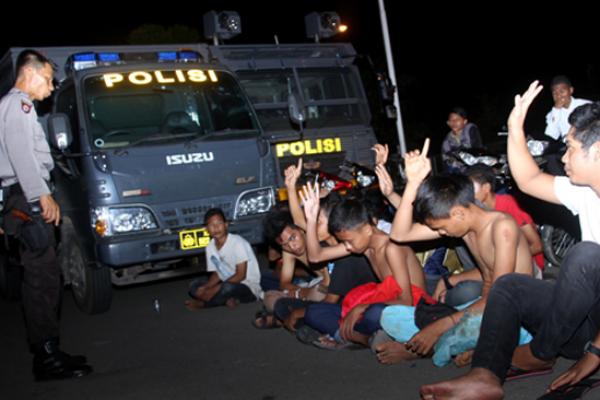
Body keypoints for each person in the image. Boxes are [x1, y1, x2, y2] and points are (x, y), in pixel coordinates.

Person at [420, 82, 600, 400]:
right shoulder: (584, 193)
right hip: (578, 326)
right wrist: (514, 127)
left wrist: (595, 354)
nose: (564, 156)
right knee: (509, 285)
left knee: (584, 255)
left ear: (597, 151)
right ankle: (485, 375)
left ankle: (539, 353)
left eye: (570, 147)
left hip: (593, 333)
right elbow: (528, 179)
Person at [379, 138, 533, 365]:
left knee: (454, 329)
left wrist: (440, 325)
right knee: (390, 316)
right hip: (482, 307)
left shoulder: (503, 227)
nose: (440, 233)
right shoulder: (460, 225)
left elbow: (501, 299)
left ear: (459, 214)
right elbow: (400, 235)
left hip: (513, 313)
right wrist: (412, 184)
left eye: (440, 227)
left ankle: (423, 348)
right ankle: (454, 344)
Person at [0, 49, 92, 380]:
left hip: (23, 198)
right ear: (30, 73)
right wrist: (41, 194)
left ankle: (50, 349)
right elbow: (22, 155)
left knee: (47, 278)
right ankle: (46, 358)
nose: (51, 88)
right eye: (49, 80)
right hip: (27, 199)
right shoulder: (18, 105)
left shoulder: (16, 107)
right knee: (41, 281)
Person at [302, 183, 430, 349]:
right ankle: (365, 339)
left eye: (349, 241)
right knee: (315, 312)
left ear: (368, 229)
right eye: (343, 242)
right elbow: (315, 256)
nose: (347, 247)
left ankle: (354, 337)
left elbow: (406, 301)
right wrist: (311, 220)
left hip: (411, 312)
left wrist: (362, 308)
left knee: (374, 314)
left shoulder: (392, 248)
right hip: (384, 305)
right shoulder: (364, 246)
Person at [465, 163, 545, 276]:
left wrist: (503, 260)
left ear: (486, 188)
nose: (467, 195)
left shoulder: (509, 205)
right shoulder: (478, 210)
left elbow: (537, 246)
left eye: (471, 189)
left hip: (528, 266)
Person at [185, 208, 262, 310]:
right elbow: (218, 273)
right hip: (226, 281)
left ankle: (204, 304)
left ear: (226, 225)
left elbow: (241, 275)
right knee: (194, 286)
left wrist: (216, 288)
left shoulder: (238, 243)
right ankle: (227, 299)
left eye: (219, 223)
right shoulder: (210, 247)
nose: (216, 228)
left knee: (227, 288)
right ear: (206, 229)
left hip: (248, 286)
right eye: (212, 225)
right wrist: (207, 287)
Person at [544, 75, 591, 142]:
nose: (559, 96)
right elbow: (551, 136)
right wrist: (556, 111)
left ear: (571, 90)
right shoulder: (552, 114)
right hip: (568, 147)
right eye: (555, 93)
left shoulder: (585, 105)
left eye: (562, 91)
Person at [441, 107, 483, 172]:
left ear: (465, 121)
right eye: (451, 120)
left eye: (457, 119)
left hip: (475, 165)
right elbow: (445, 160)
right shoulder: (446, 142)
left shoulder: (470, 129)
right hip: (458, 171)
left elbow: (478, 148)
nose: (454, 122)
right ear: (448, 123)